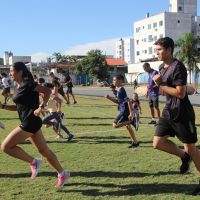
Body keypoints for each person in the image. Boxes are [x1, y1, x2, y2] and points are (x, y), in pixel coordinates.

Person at [0, 62, 69, 188]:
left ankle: (33, 162)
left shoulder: (28, 83)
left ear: (20, 72)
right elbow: (19, 108)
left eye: (12, 71)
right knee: (44, 151)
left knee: (6, 147)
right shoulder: (19, 86)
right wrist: (3, 106)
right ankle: (62, 173)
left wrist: (41, 107)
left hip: (30, 122)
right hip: (29, 121)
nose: (10, 73)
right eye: (9, 71)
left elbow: (47, 91)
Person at [152, 37, 200, 195]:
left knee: (191, 148)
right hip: (168, 111)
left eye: (159, 50)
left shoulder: (178, 67)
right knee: (157, 143)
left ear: (169, 49)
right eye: (157, 49)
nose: (157, 52)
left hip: (182, 113)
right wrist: (156, 86)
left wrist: (161, 85)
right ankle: (183, 156)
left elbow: (180, 93)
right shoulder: (161, 67)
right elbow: (165, 88)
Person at [106, 75, 139, 148]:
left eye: (115, 80)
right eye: (113, 80)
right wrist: (109, 98)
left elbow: (129, 101)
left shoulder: (121, 90)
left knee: (115, 125)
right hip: (122, 110)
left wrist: (131, 113)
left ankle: (132, 121)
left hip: (124, 111)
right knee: (128, 127)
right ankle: (135, 143)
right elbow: (118, 101)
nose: (113, 82)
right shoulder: (118, 89)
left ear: (120, 81)